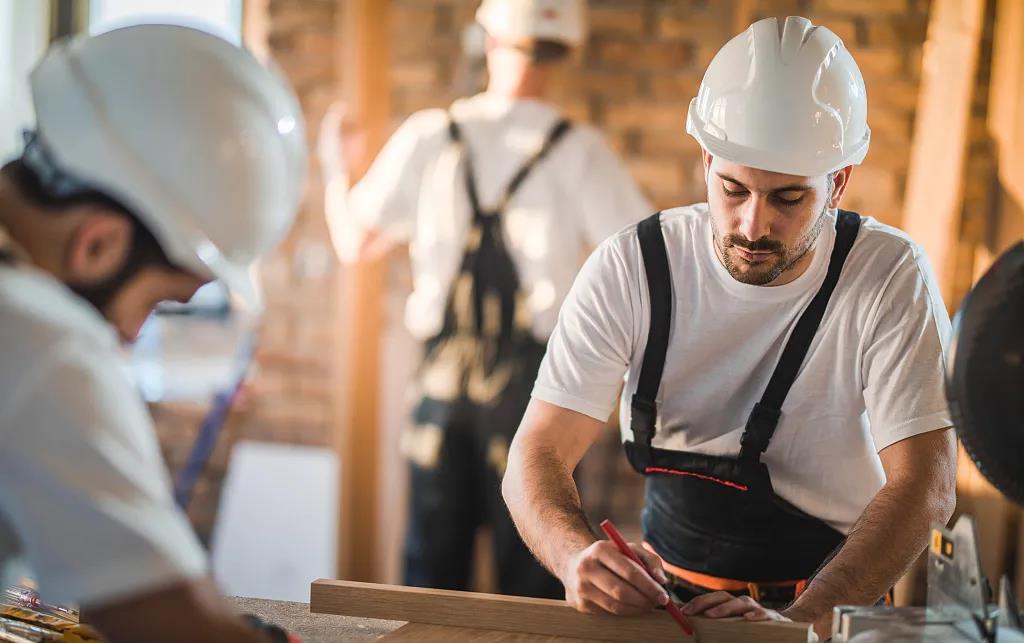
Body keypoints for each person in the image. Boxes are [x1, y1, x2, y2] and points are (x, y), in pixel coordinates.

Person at [502, 15, 958, 638]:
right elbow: (537, 451)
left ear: (838, 184)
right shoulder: (635, 267)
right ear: (706, 160)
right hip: (665, 610)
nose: (752, 226)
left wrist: (798, 625)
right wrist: (573, 557)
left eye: (788, 199)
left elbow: (924, 486)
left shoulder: (887, 275)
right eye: (733, 188)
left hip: (828, 607)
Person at [320, 0, 650, 598]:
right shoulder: (580, 149)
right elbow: (645, 264)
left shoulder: (429, 135)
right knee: (534, 568)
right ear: (564, 52)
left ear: (489, 39)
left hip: (440, 387)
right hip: (534, 388)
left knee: (430, 570)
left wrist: (334, 171)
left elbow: (355, 239)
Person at [0, 24, 307, 643]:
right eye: (157, 302)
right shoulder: (41, 339)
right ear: (98, 245)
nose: (132, 336)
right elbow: (176, 630)